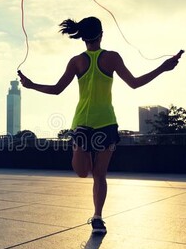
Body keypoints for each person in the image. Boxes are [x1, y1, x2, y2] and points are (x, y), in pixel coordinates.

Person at [17, 16, 183, 234]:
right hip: (92, 125)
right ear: (101, 34)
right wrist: (162, 68)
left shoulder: (89, 60)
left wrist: (31, 85)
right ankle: (96, 212)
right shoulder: (91, 60)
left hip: (98, 124)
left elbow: (57, 89)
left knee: (95, 174)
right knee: (88, 173)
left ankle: (97, 218)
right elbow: (135, 83)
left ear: (83, 37)